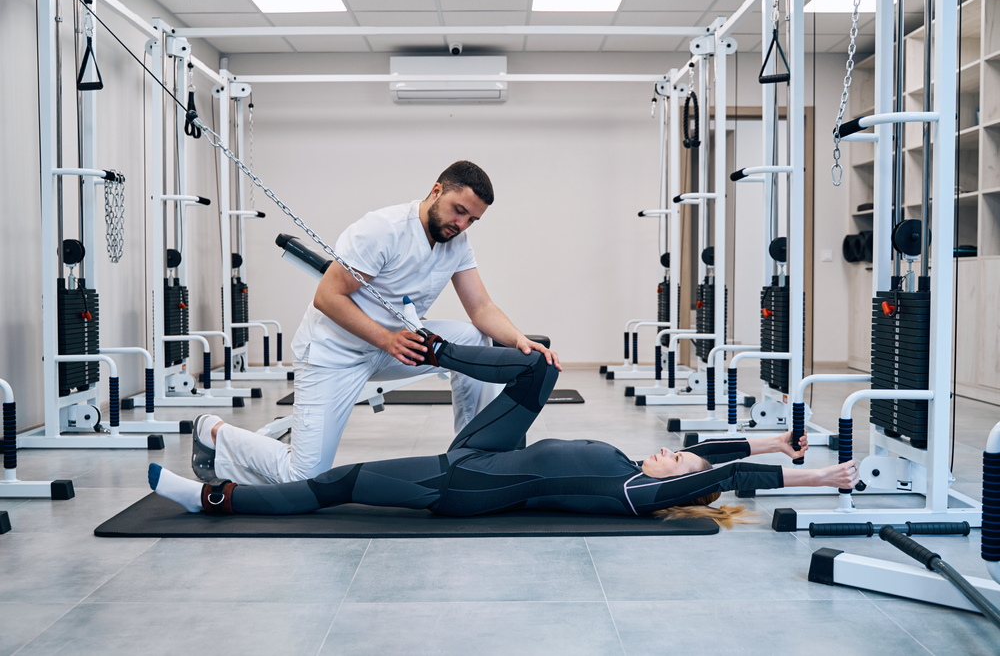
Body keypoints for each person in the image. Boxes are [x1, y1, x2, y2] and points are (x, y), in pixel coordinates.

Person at [156, 341, 858, 524]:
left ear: (676, 482)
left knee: (333, 484)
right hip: (491, 451)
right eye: (678, 449)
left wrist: (818, 479)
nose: (672, 450)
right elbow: (718, 455)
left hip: (465, 483)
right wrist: (778, 440)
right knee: (538, 366)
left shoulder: (639, 491)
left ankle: (212, 499)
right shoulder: (643, 468)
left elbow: (724, 476)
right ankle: (435, 349)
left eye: (676, 458)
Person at [198, 161, 560, 486]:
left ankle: (475, 456)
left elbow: (480, 306)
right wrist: (387, 340)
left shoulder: (458, 243)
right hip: (334, 354)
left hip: (393, 348)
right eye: (459, 211)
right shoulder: (383, 229)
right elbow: (327, 297)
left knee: (475, 336)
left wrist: (519, 341)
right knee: (304, 476)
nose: (461, 224)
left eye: (472, 220)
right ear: (437, 191)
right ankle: (214, 433)